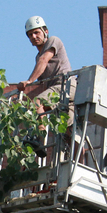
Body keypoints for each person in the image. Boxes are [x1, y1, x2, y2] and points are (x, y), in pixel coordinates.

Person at [17, 16, 72, 156]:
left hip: (65, 86)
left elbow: (43, 60)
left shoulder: (54, 40)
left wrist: (29, 81)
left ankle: (39, 139)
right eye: (30, 35)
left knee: (37, 101)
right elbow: (42, 83)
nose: (33, 37)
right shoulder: (37, 57)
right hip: (55, 91)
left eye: (36, 32)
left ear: (45, 31)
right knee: (67, 129)